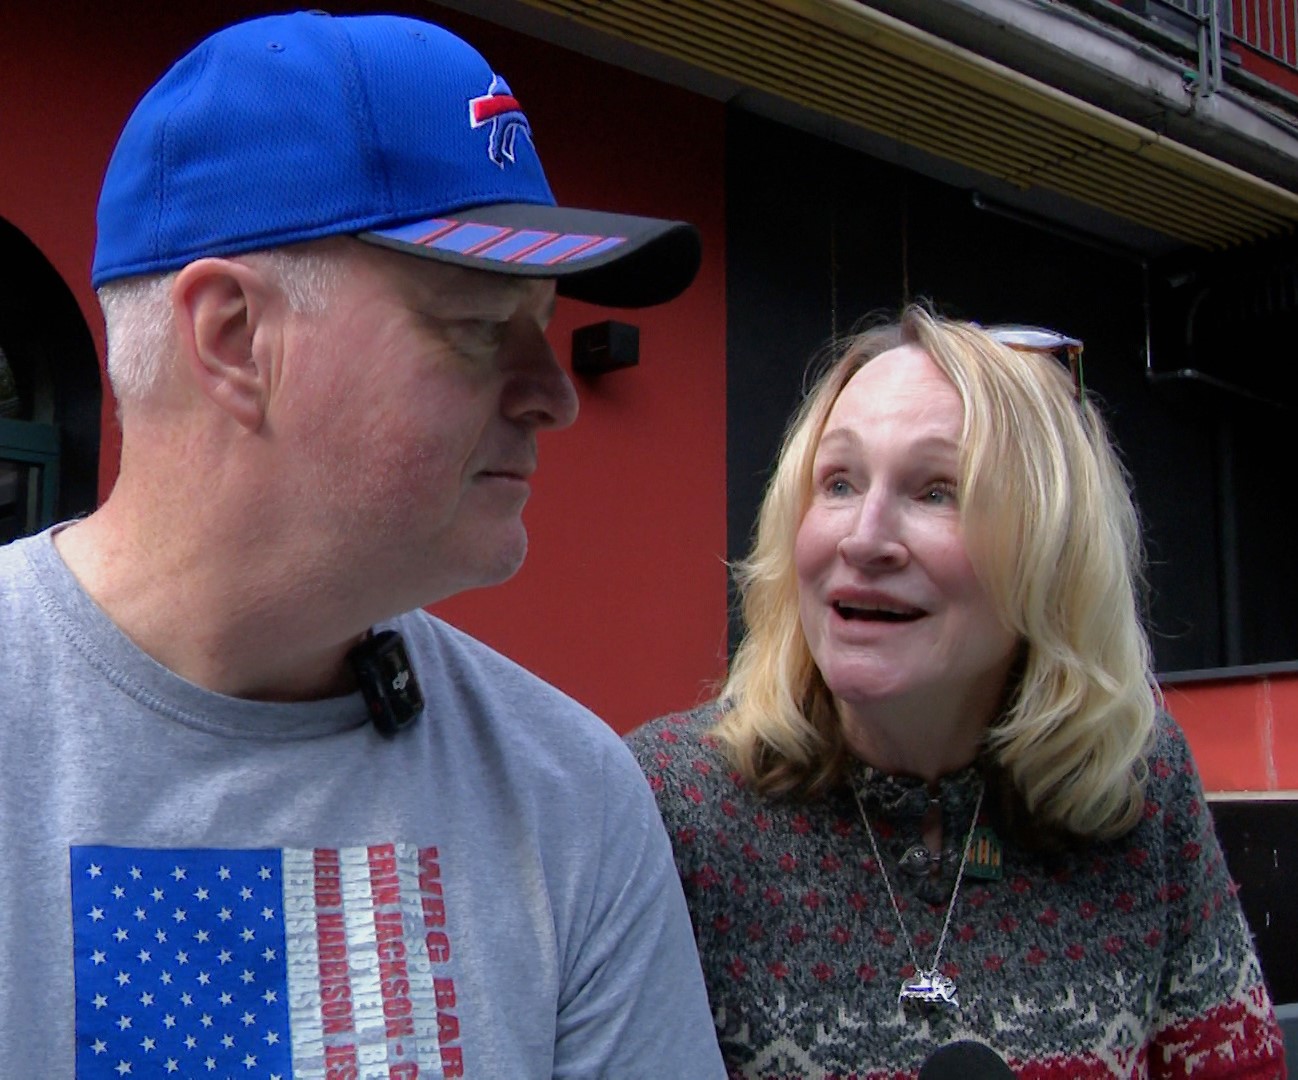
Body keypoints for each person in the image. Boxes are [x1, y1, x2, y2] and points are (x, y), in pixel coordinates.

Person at [0, 11, 727, 1077]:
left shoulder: (568, 796)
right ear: (235, 340)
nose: (555, 395)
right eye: (481, 326)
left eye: (544, 322)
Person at [629, 306, 1286, 1078]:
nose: (864, 537)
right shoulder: (668, 804)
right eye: (838, 482)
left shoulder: (1137, 785)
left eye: (936, 491)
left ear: (1051, 550)